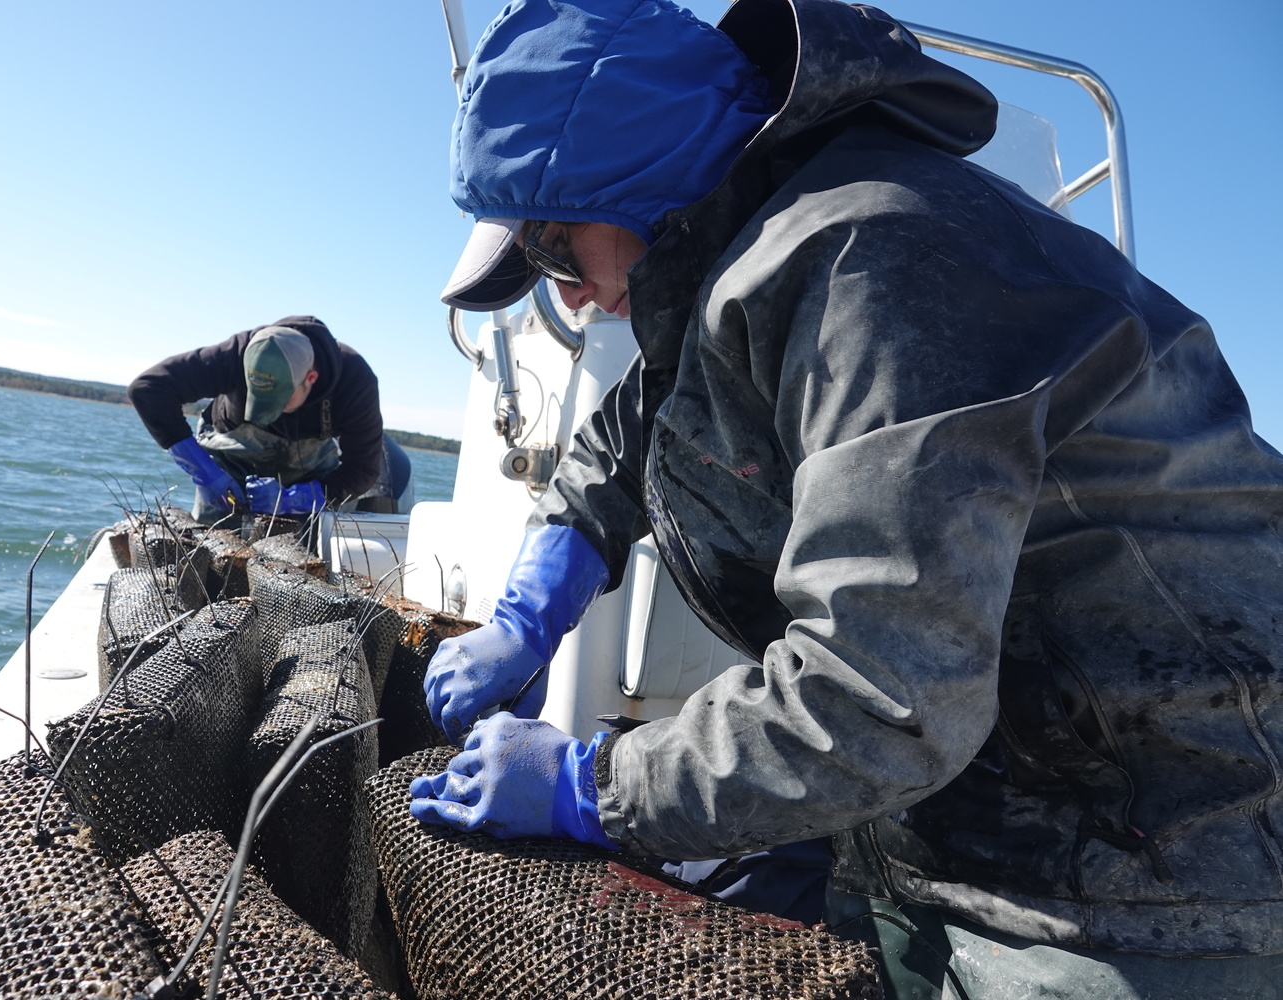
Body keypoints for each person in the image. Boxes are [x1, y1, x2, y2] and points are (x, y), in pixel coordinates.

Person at [408, 1, 1283, 996]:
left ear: (638, 180)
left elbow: (881, 696)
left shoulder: (873, 260)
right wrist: (527, 614)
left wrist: (590, 788)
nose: (564, 297)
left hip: (1150, 863)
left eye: (558, 251)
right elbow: (622, 443)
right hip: (938, 815)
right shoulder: (736, 272)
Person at [128, 316, 411, 523]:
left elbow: (362, 470)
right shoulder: (235, 353)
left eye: (280, 402)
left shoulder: (355, 381)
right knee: (212, 539)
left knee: (303, 553)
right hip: (231, 458)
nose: (267, 413)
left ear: (310, 379)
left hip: (308, 471)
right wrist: (204, 472)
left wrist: (297, 498)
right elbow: (148, 389)